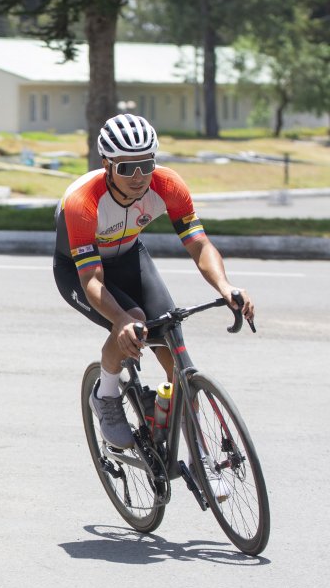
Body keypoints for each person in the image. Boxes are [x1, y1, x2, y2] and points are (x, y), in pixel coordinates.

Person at [54, 114, 254, 470]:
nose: (138, 177)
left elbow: (199, 244)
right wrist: (120, 320)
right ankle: (106, 394)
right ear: (107, 166)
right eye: (126, 168)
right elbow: (92, 281)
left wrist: (226, 286)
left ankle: (200, 459)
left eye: (146, 165)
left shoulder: (168, 185)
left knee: (175, 355)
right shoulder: (83, 201)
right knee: (132, 320)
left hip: (129, 255)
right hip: (80, 270)